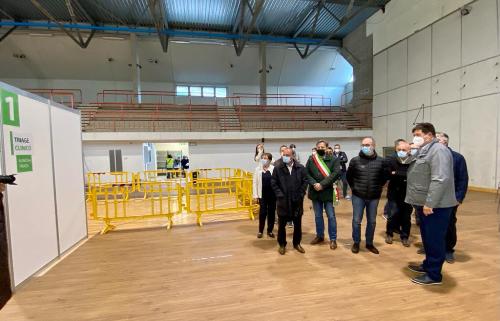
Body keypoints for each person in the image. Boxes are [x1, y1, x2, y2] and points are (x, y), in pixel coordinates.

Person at [406, 123, 457, 286]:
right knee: (428, 238)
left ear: (430, 135)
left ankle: (434, 275)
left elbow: (440, 178)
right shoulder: (424, 150)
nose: (416, 137)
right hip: (425, 203)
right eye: (414, 134)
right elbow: (407, 163)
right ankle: (428, 265)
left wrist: (430, 203)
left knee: (434, 239)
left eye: (419, 134)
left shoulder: (439, 150)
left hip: (436, 205)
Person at [346, 137, 387, 255]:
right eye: (363, 145)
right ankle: (356, 242)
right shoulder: (355, 161)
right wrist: (354, 188)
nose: (365, 147)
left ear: (373, 145)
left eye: (368, 144)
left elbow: (384, 177)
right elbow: (349, 177)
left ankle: (369, 243)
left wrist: (379, 187)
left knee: (372, 221)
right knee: (356, 220)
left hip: (374, 196)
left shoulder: (381, 161)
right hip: (358, 196)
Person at [436, 132, 469, 264]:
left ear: (445, 142)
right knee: (432, 225)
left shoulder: (457, 158)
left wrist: (459, 198)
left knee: (449, 224)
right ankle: (434, 248)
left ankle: (448, 250)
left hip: (450, 198)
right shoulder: (432, 156)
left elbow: (463, 179)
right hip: (433, 197)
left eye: (437, 140)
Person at [271, 148, 308, 255]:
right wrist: (279, 195)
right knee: (281, 225)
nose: (285, 156)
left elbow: (305, 182)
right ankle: (282, 244)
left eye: (287, 155)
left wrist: (301, 194)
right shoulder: (278, 168)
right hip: (283, 201)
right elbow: (273, 182)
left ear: (292, 156)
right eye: (284, 155)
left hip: (297, 201)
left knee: (297, 224)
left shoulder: (300, 168)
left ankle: (297, 243)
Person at [306, 140, 341, 250]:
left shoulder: (334, 159)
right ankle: (320, 236)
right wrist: (314, 183)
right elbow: (307, 173)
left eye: (322, 147)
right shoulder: (311, 159)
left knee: (331, 216)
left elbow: (335, 174)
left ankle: (333, 239)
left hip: (328, 192)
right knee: (318, 216)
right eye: (318, 147)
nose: (320, 148)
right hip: (315, 192)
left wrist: (322, 184)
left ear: (326, 148)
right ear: (316, 148)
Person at [385, 140, 413, 247]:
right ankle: (389, 234)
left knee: (406, 217)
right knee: (392, 215)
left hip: (408, 193)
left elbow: (412, 175)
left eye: (404, 150)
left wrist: (396, 173)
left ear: (409, 151)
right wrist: (402, 174)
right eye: (399, 150)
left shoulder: (413, 161)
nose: (401, 151)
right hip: (393, 193)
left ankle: (405, 236)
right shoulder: (391, 159)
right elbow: (388, 174)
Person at [253, 153, 276, 239]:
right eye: (262, 158)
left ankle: (270, 230)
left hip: (272, 195)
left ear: (270, 160)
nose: (263, 159)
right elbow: (255, 183)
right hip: (262, 195)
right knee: (262, 213)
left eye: (265, 158)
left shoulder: (274, 169)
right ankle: (260, 231)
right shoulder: (257, 169)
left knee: (271, 213)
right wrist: (255, 195)